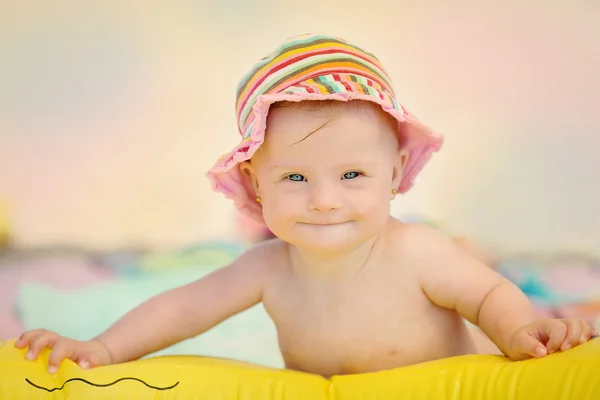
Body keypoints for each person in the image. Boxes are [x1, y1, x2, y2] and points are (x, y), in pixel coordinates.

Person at [15, 33, 596, 378]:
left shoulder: (418, 252)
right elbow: (183, 307)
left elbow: (488, 293)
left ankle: (567, 315)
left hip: (443, 380)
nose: (324, 201)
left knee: (527, 311)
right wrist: (103, 348)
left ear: (394, 173)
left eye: (352, 174)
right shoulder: (268, 268)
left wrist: (520, 329)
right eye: (295, 176)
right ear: (256, 183)